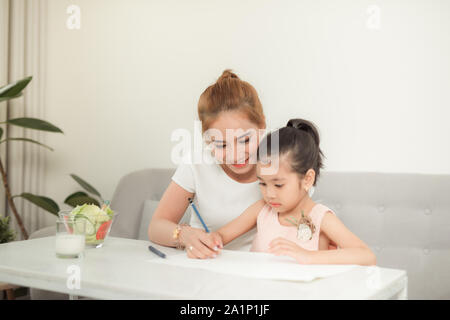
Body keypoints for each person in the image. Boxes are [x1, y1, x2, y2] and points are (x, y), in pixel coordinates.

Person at [207, 119, 376, 265]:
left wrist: (309, 256)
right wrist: (211, 241)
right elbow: (221, 235)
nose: (269, 194)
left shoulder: (320, 217)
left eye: (278, 185)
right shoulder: (263, 210)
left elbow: (367, 256)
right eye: (262, 183)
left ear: (308, 179)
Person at [148, 70, 267, 258]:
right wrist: (183, 235)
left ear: (262, 126)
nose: (235, 155)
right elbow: (156, 226)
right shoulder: (196, 164)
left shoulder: (285, 165)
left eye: (244, 140)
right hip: (205, 269)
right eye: (221, 144)